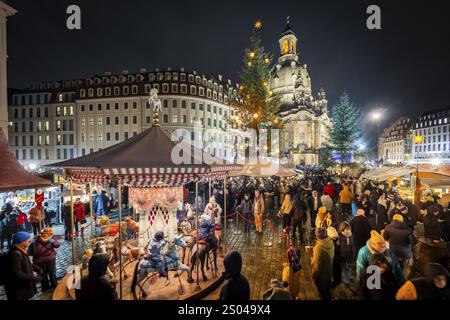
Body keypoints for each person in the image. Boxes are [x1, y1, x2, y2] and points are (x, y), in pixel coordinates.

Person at [4, 232, 43, 300]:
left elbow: (26, 263)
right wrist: (34, 278)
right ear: (21, 241)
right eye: (28, 239)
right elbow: (17, 274)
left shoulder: (21, 250)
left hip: (22, 286)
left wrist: (37, 268)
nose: (30, 240)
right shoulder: (15, 253)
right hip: (17, 288)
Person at [28, 227, 60, 291]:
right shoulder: (39, 240)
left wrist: (54, 242)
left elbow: (57, 245)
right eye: (47, 233)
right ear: (43, 234)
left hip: (48, 259)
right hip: (42, 260)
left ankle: (51, 287)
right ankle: (48, 287)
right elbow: (39, 251)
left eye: (50, 234)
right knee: (45, 274)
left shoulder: (49, 238)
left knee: (50, 273)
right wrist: (51, 242)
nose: (48, 235)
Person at [383, 214, 413, 278]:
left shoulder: (388, 227)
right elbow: (412, 241)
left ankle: (394, 277)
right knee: (407, 266)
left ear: (393, 219)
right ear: (402, 220)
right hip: (405, 251)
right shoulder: (408, 229)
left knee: (393, 263)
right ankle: (403, 280)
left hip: (393, 249)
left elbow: (385, 237)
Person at [311, 227, 335, 300]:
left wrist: (313, 276)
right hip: (329, 272)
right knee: (327, 290)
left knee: (322, 293)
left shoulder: (318, 248)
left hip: (321, 276)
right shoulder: (331, 242)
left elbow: (317, 266)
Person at [338, 221, 355, 288]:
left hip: (350, 255)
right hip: (343, 256)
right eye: (347, 229)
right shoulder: (339, 237)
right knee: (345, 268)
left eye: (349, 229)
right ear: (342, 229)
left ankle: (349, 278)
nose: (348, 231)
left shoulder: (351, 236)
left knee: (349, 267)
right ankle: (346, 281)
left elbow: (352, 245)